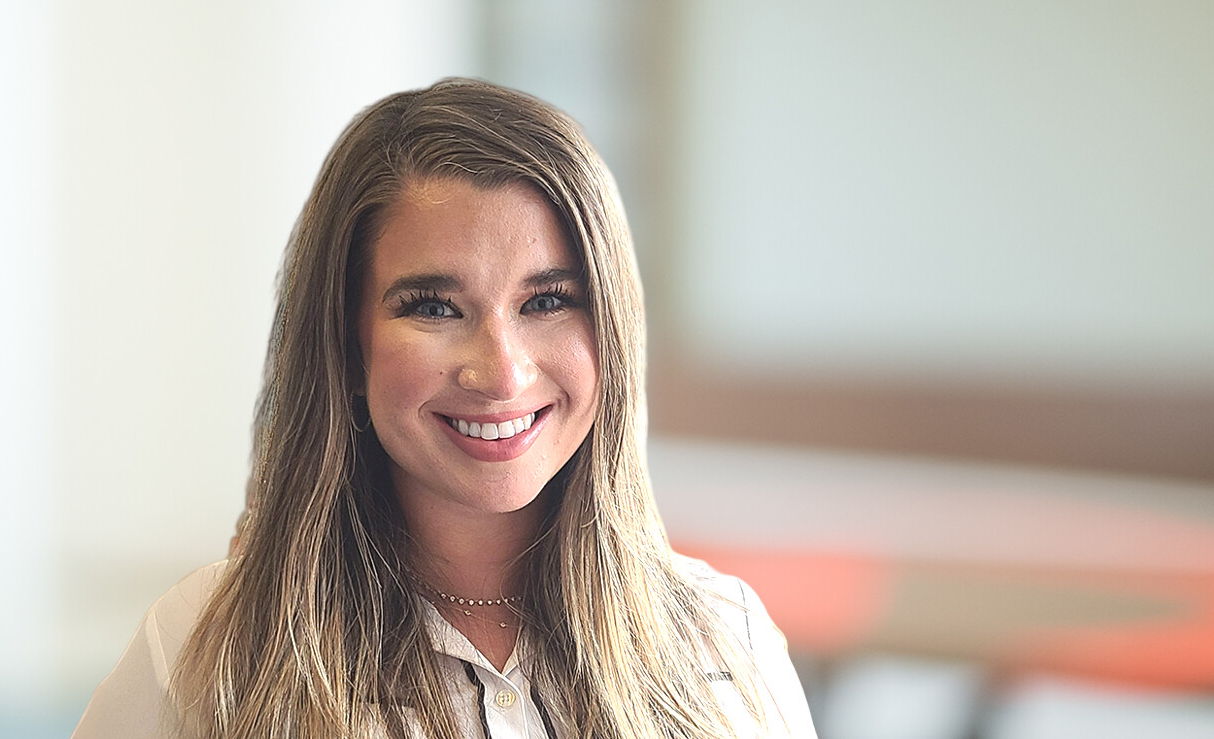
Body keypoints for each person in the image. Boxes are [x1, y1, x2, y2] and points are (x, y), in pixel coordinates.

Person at [72, 79, 816, 739]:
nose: (501, 371)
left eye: (548, 301)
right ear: (346, 342)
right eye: (433, 306)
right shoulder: (210, 649)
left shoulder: (726, 640)